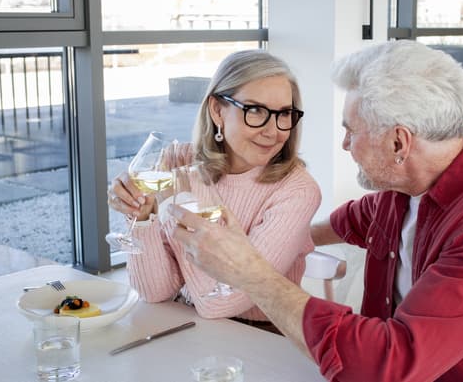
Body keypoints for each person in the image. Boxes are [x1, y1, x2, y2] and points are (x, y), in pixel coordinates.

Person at [169, 40, 463, 381]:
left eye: (351, 131)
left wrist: (250, 272)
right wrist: (292, 233)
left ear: (398, 143)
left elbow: (388, 364)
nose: (344, 146)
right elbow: (361, 216)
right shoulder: (408, 184)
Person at [107, 50, 321, 331]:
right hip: (188, 328)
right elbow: (154, 292)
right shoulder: (178, 161)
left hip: (261, 341)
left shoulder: (297, 191)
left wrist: (187, 197)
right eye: (255, 111)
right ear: (217, 110)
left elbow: (216, 303)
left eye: (284, 114)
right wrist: (142, 217)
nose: (274, 131)